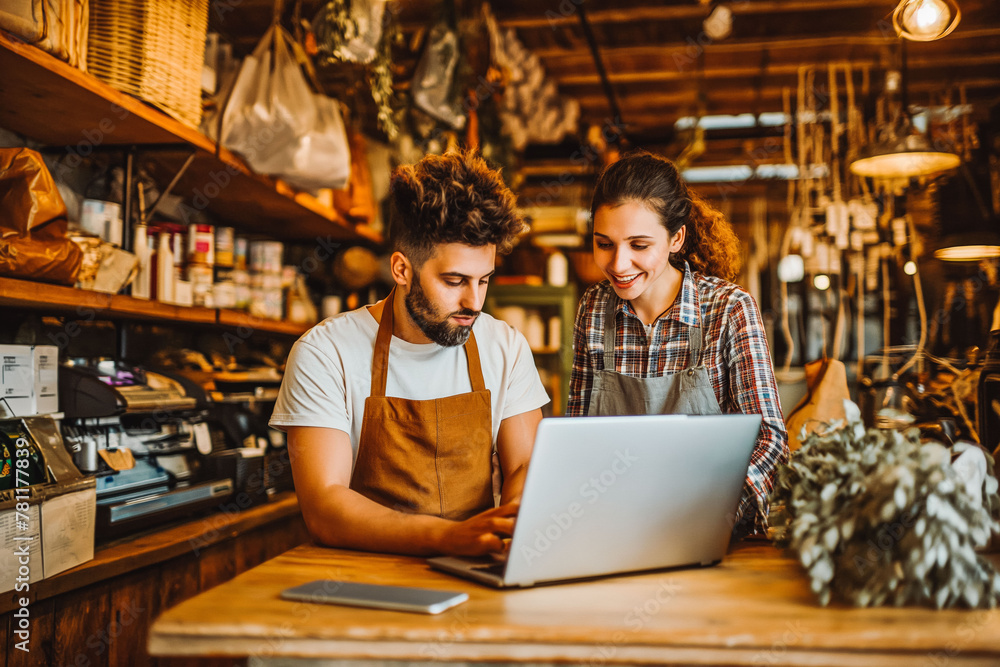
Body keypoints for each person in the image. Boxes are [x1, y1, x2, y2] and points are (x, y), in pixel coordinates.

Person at [270, 150, 549, 556]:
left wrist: (514, 519)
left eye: (483, 280)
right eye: (454, 280)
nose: (474, 302)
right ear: (402, 270)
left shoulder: (504, 347)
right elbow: (325, 506)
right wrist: (447, 538)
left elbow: (525, 466)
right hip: (361, 577)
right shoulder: (324, 353)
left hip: (473, 566)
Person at [567, 151, 788, 538]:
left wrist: (713, 514)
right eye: (605, 244)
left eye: (639, 245)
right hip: (618, 533)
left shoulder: (729, 310)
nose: (619, 264)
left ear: (676, 238)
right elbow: (577, 435)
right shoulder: (593, 309)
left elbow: (769, 441)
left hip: (714, 533)